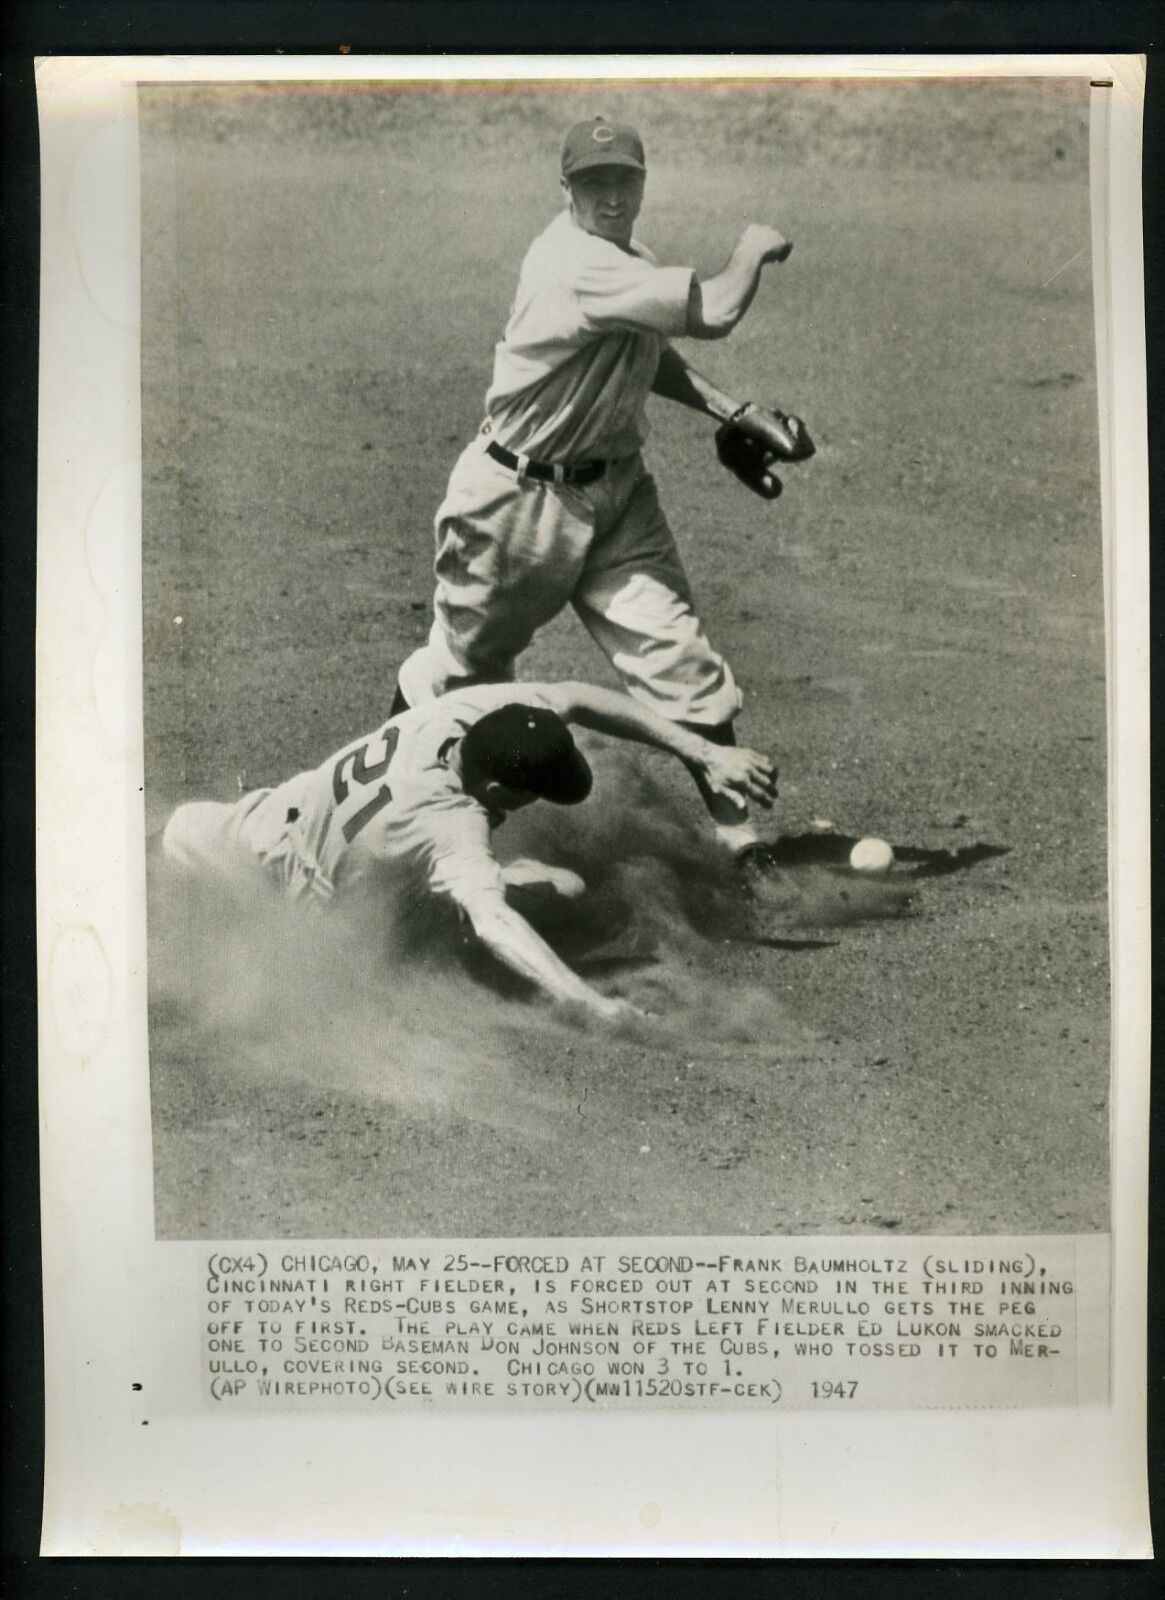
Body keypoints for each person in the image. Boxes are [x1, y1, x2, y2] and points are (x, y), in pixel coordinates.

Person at [394, 114, 796, 858]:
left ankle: (743, 849)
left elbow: (649, 349)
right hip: (515, 505)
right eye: (593, 184)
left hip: (617, 499)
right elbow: (714, 311)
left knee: (684, 667)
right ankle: (390, 815)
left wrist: (728, 408)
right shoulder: (573, 262)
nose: (610, 197)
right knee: (462, 683)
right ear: (567, 189)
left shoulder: (625, 256)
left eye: (623, 181)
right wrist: (751, 249)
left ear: (640, 183)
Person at [162, 680, 778, 1024]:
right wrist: (586, 1000)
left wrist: (703, 753)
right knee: (557, 895)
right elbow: (496, 924)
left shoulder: (468, 715)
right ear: (494, 787)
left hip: (268, 818)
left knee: (175, 831)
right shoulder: (451, 825)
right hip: (301, 904)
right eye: (532, 794)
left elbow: (577, 697)